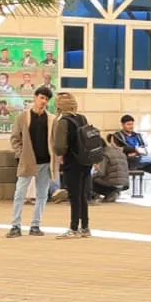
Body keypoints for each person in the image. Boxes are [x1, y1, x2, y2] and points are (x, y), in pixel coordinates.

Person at [6, 85, 54, 235]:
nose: (43, 101)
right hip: (27, 161)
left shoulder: (51, 119)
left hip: (45, 162)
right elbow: (15, 138)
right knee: (20, 193)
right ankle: (16, 225)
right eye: (41, 98)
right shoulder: (23, 117)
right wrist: (20, 153)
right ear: (35, 98)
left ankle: (35, 225)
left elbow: (54, 140)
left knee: (42, 194)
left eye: (46, 99)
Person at [51, 90, 98, 238]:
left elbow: (59, 147)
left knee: (74, 195)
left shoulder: (63, 122)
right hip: (86, 161)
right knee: (83, 195)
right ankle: (85, 227)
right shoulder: (82, 118)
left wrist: (59, 153)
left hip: (72, 162)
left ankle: (73, 228)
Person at [115, 113, 151, 198]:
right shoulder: (118, 136)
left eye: (132, 124)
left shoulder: (137, 135)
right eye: (128, 124)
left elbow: (144, 149)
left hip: (141, 160)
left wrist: (136, 151)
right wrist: (134, 149)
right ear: (123, 125)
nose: (131, 126)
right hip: (127, 162)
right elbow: (119, 150)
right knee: (135, 159)